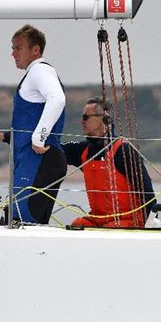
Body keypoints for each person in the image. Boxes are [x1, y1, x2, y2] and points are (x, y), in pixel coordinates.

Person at [0, 24, 67, 225]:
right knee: (27, 224)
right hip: (38, 161)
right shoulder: (36, 73)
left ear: (35, 50)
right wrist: (6, 137)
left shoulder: (39, 71)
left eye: (18, 48)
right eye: (12, 48)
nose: (12, 53)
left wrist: (38, 137)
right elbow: (33, 117)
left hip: (37, 161)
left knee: (20, 221)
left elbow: (57, 99)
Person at [62, 98, 155, 228]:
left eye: (85, 117)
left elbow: (147, 192)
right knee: (77, 225)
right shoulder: (83, 151)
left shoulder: (124, 151)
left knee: (110, 228)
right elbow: (56, 151)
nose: (82, 121)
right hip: (99, 219)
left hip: (128, 220)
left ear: (104, 119)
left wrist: (151, 223)